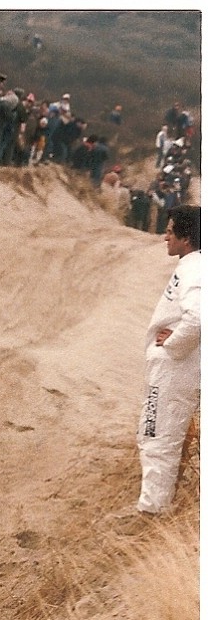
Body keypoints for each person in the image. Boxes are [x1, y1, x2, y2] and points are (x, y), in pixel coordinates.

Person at [131, 204, 200, 516]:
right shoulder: (194, 265)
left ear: (186, 238)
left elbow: (197, 318)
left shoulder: (194, 268)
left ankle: (152, 511)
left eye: (170, 231)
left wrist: (172, 344)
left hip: (177, 368)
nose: (164, 237)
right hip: (183, 366)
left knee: (156, 436)